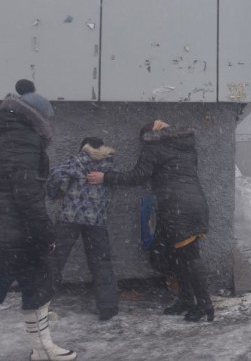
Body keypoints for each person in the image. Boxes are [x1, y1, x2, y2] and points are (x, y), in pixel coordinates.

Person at [86, 120, 214, 322]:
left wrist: (106, 177)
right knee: (179, 256)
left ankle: (205, 304)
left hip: (177, 206)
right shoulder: (186, 145)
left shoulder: (153, 147)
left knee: (189, 257)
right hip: (193, 204)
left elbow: (138, 176)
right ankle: (187, 299)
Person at [0, 93, 77, 361]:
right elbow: (27, 195)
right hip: (15, 236)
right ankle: (42, 349)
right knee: (35, 288)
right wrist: (46, 232)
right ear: (38, 118)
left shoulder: (9, 133)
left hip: (15, 235)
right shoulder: (22, 141)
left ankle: (42, 349)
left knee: (38, 289)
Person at [46, 137, 119, 321]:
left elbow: (56, 175)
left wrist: (56, 193)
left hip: (70, 217)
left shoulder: (77, 160)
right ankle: (108, 307)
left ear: (83, 148)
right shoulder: (110, 164)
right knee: (101, 262)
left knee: (55, 259)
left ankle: (41, 301)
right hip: (96, 219)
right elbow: (115, 182)